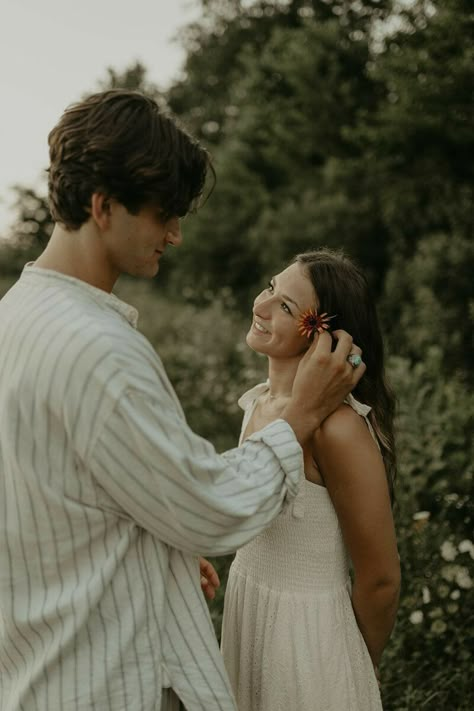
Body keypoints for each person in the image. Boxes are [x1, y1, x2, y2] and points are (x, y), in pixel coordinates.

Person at [0, 90, 365, 711]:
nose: (175, 234)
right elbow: (210, 511)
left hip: (37, 670)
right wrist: (299, 414)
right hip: (106, 679)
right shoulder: (100, 349)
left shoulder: (15, 317)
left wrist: (157, 554)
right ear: (103, 206)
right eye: (164, 213)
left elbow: (59, 491)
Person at [219, 249, 401, 710]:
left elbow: (380, 579)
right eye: (270, 288)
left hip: (309, 650)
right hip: (248, 621)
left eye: (285, 307)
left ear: (326, 336)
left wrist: (356, 665)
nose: (261, 306)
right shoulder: (258, 404)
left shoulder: (337, 430)